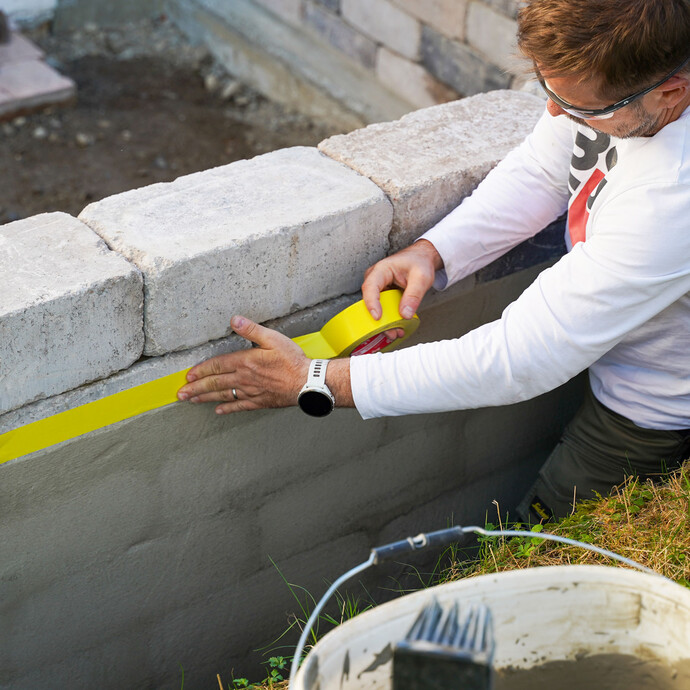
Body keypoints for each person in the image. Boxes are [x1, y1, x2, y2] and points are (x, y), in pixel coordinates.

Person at [178, 0, 690, 522]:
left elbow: (517, 359)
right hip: (622, 354)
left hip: (653, 411)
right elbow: (545, 167)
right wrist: (438, 251)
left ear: (672, 91)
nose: (555, 112)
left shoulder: (671, 198)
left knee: (540, 560)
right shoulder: (617, 81)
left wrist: (315, 381)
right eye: (546, 89)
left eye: (580, 106)